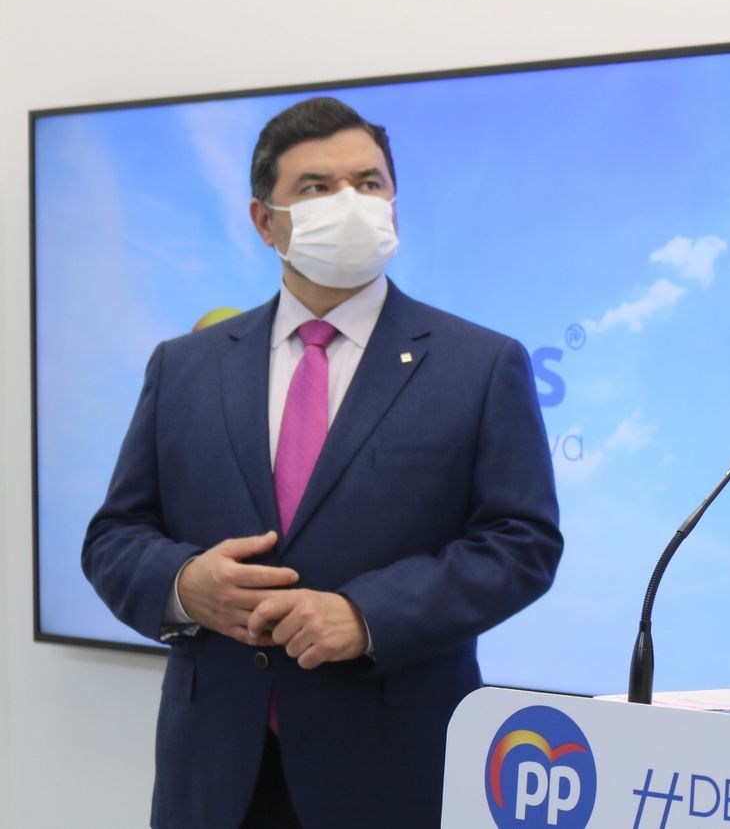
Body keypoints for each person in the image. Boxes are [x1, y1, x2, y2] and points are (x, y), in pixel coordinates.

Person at [83, 97, 563, 829]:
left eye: (369, 184)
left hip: (391, 767)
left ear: (394, 205)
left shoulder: (480, 363)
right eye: (316, 187)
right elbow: (115, 537)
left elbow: (521, 544)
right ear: (263, 220)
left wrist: (366, 614)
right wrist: (185, 584)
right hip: (213, 773)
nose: (351, 203)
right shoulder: (185, 366)